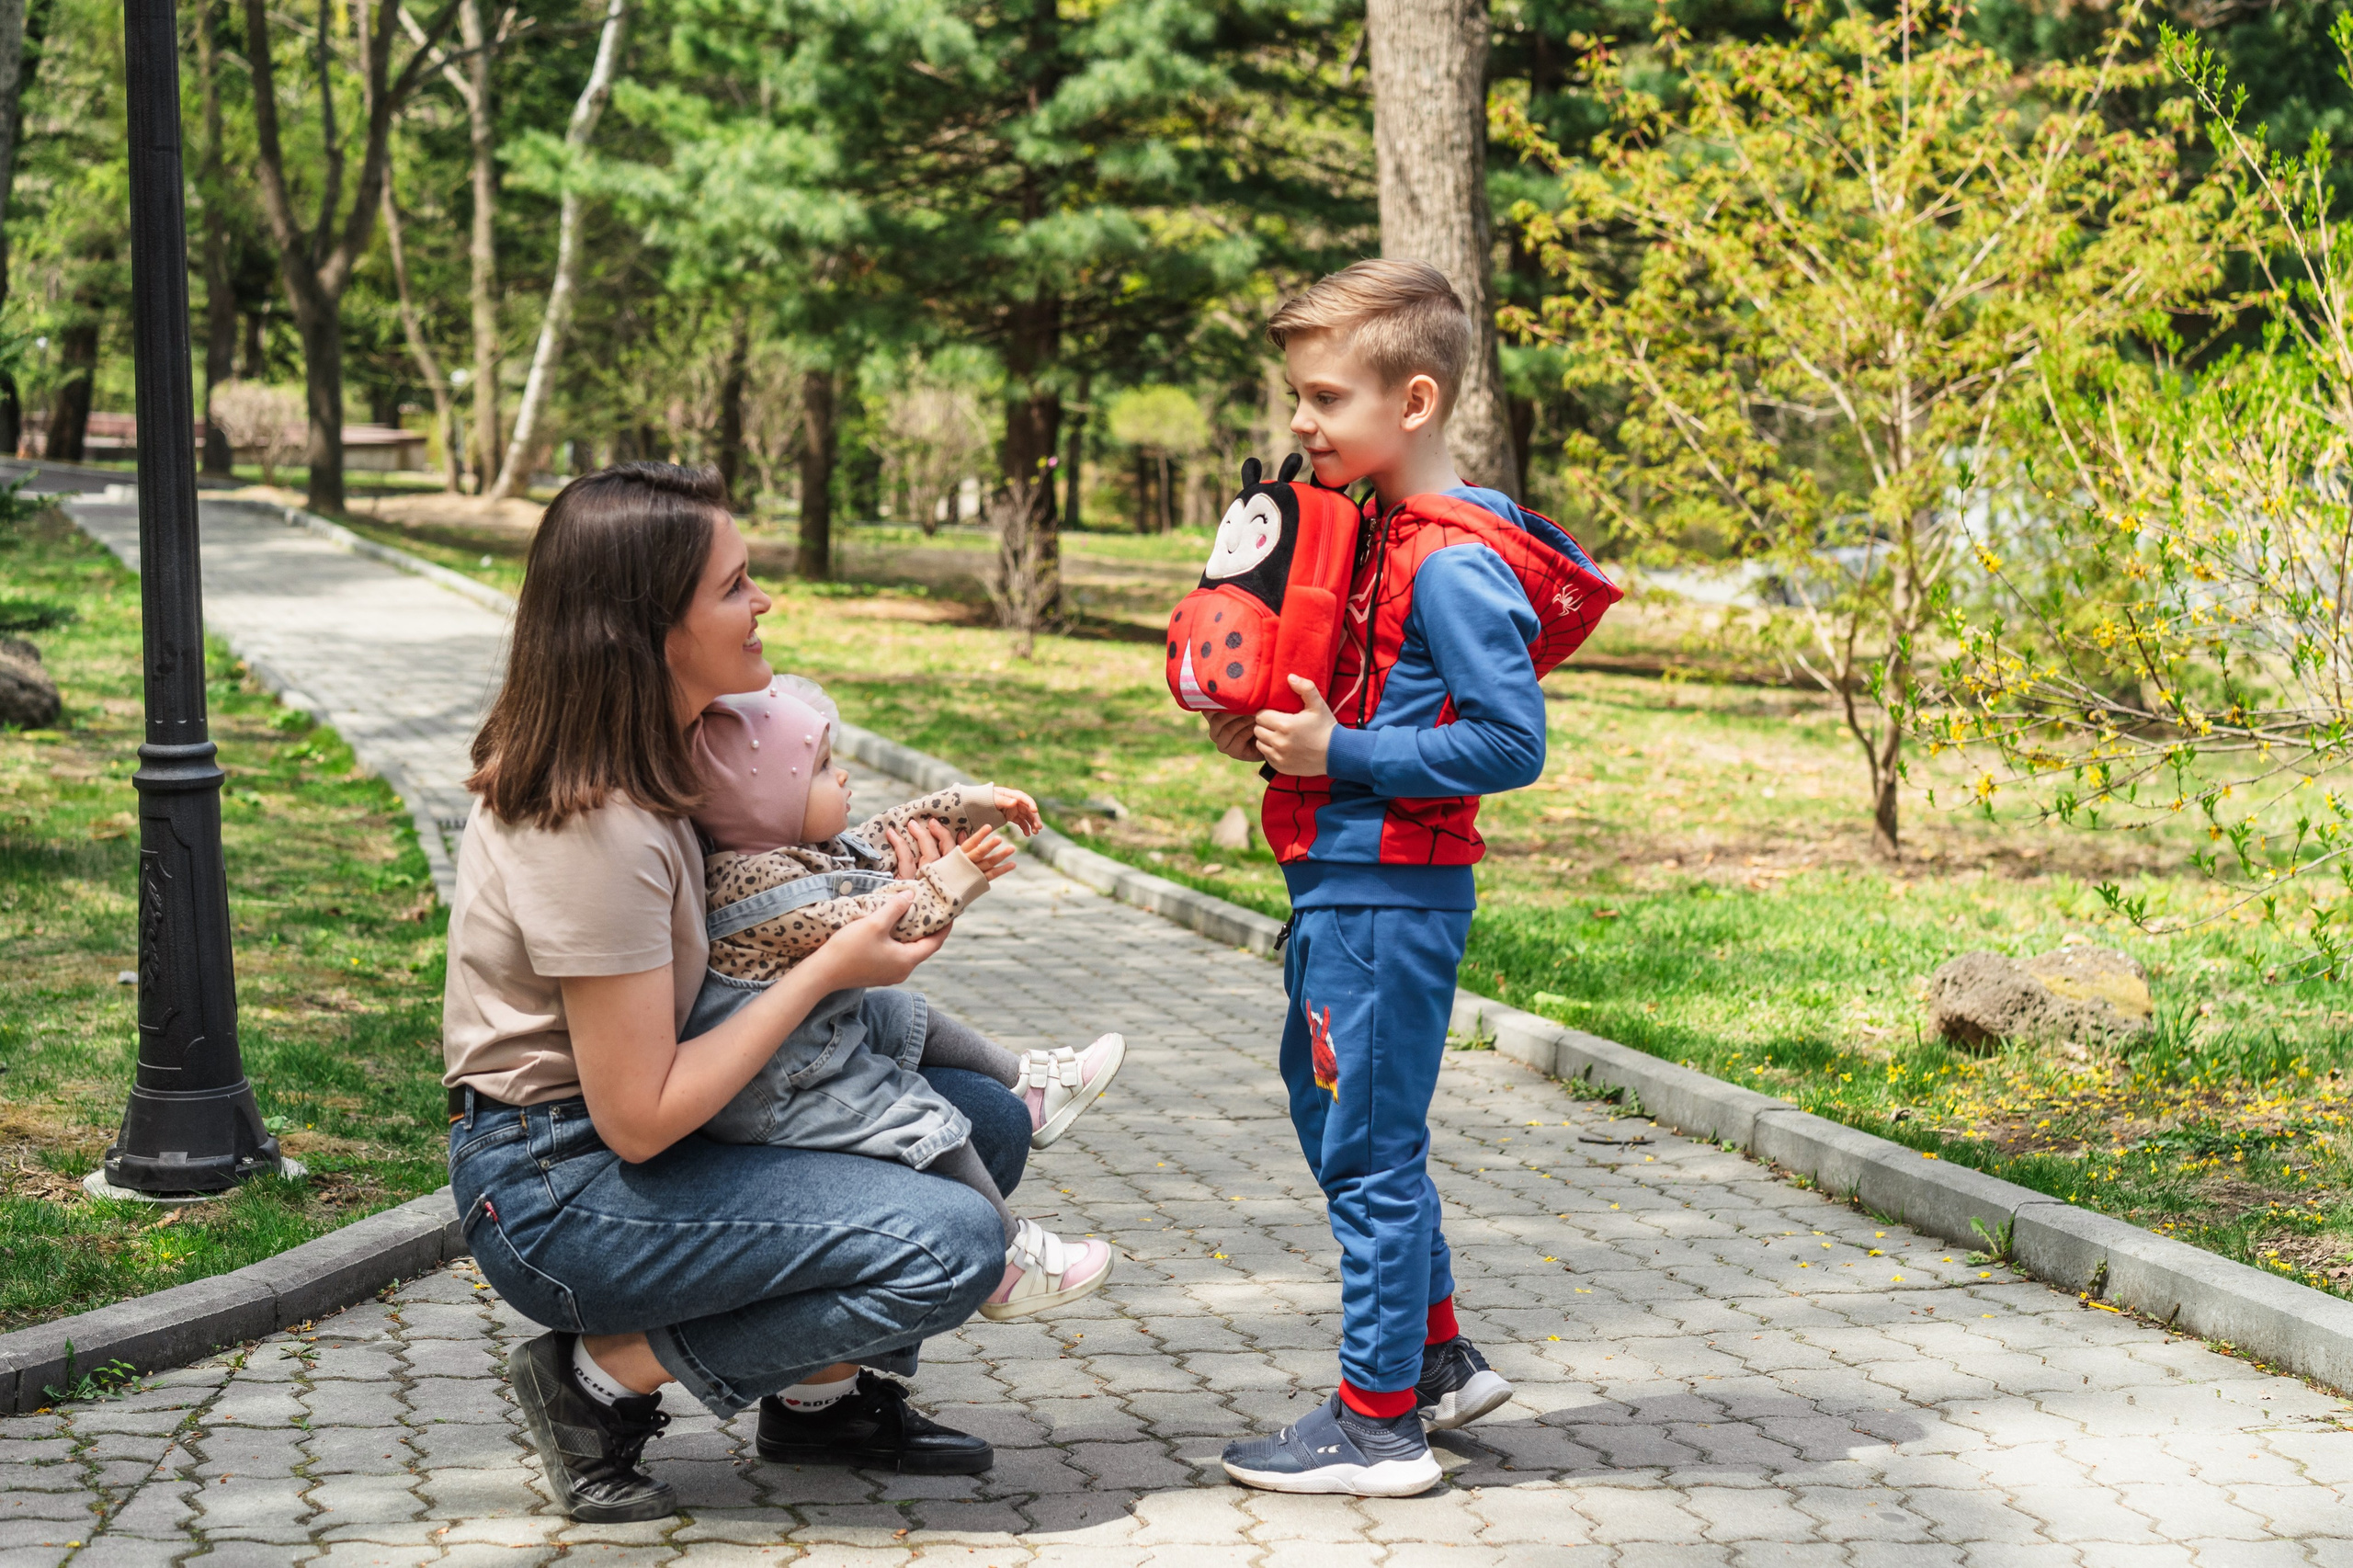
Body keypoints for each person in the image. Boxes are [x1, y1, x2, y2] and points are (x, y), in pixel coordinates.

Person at [444, 462, 1026, 1523]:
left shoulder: (667, 757)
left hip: (643, 1148)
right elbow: (639, 1112)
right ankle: (594, 1382)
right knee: (951, 1238)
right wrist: (831, 965)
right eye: (734, 585)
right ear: (646, 625)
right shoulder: (595, 825)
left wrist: (891, 860)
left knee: (981, 1121)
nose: (764, 606)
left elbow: (769, 890)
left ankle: (819, 1401)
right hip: (557, 1186)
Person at [1211, 259, 1574, 1497]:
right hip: (1343, 887)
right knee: (1335, 1116)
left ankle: (1376, 1425)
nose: (1301, 424)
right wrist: (1282, 737)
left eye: (1323, 399)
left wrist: (1340, 753)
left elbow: (1508, 741)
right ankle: (1437, 1358)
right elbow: (1374, 696)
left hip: (1385, 898)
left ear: (1412, 402)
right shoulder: (1379, 534)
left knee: (1364, 1144)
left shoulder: (1453, 560)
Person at [686, 675, 1123, 1319]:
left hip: (798, 1044)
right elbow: (876, 918)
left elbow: (876, 841)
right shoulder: (754, 889)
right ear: (769, 799)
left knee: (899, 1015)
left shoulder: (790, 850)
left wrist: (970, 804)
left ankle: (1026, 1085)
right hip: (774, 1090)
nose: (842, 780)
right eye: (823, 768)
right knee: (920, 1117)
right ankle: (1008, 1262)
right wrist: (953, 878)